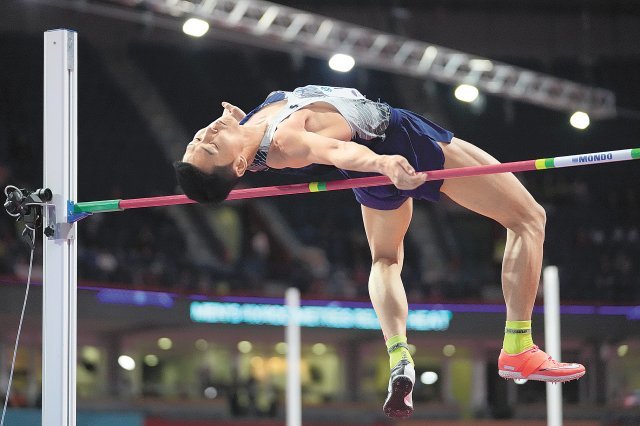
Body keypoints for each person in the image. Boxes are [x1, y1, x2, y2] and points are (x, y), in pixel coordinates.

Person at [174, 85, 585, 418]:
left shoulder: (245, 130)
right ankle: (518, 348)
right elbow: (336, 151)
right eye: (209, 148)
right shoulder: (284, 140)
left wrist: (231, 121)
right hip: (399, 141)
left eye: (198, 138)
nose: (205, 135)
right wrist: (384, 163)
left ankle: (399, 354)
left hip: (368, 170)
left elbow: (244, 137)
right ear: (241, 167)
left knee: (385, 259)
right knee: (529, 218)